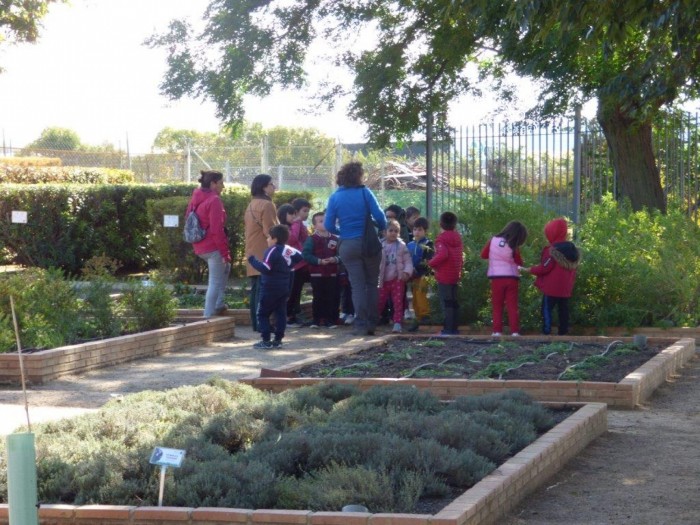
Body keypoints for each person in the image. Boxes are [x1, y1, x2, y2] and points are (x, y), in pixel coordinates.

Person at [324, 161, 387, 336]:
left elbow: (328, 225)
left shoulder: (335, 197)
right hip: (369, 243)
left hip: (348, 245)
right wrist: (381, 227)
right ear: (358, 176)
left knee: (357, 286)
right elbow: (379, 215)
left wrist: (342, 232)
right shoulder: (365, 192)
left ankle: (360, 325)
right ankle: (372, 323)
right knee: (372, 284)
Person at [247, 224, 303, 349]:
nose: (267, 240)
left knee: (262, 314)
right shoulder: (289, 250)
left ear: (275, 239)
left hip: (269, 288)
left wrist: (252, 260)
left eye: (268, 237)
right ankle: (278, 340)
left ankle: (266, 340)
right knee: (281, 314)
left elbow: (266, 269)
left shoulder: (272, 250)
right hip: (283, 288)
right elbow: (299, 258)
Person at [185, 170, 231, 318]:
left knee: (226, 269)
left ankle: (218, 304)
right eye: (221, 182)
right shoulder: (214, 200)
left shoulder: (196, 197)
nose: (223, 186)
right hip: (212, 247)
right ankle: (208, 317)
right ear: (213, 184)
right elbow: (217, 230)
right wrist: (225, 253)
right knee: (215, 282)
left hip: (199, 245)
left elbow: (188, 218)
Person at [523, 217, 580, 335]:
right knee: (563, 310)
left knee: (546, 310)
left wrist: (530, 269)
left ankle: (546, 331)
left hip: (551, 288)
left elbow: (545, 268)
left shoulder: (552, 250)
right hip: (566, 288)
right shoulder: (572, 250)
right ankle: (563, 332)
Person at [480, 221, 528, 336]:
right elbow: (519, 262)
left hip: (496, 278)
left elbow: (483, 255)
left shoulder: (493, 240)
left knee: (497, 305)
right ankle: (515, 332)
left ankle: (497, 331)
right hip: (511, 278)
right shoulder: (513, 245)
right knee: (512, 306)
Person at [244, 174, 278, 331]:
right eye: (272, 184)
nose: (274, 187)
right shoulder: (267, 205)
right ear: (264, 186)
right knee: (262, 290)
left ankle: (256, 323)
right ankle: (262, 324)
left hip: (252, 250)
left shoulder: (251, 204)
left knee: (255, 289)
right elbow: (270, 231)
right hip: (264, 252)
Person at [302, 211, 341, 328]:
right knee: (318, 297)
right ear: (315, 225)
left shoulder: (335, 238)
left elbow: (341, 254)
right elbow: (306, 254)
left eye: (326, 220)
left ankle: (330, 320)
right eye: (321, 221)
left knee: (331, 297)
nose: (324, 223)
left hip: (332, 274)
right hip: (316, 274)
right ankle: (316, 320)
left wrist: (335, 259)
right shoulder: (312, 239)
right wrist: (318, 261)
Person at [428, 211, 464, 335]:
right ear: (455, 224)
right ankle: (454, 327)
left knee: (446, 302)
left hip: (444, 274)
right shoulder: (457, 237)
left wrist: (431, 263)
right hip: (455, 273)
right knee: (454, 302)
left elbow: (443, 254)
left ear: (440, 224)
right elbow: (460, 256)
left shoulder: (441, 239)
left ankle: (448, 329)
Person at [378, 218, 413, 333]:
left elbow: (408, 261)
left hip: (397, 279)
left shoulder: (402, 246)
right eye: (391, 230)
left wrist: (406, 272)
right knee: (379, 301)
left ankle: (397, 322)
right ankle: (374, 319)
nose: (393, 233)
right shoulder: (379, 245)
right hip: (382, 279)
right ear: (384, 232)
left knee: (398, 302)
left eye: (396, 231)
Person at [406, 216, 434, 331]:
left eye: (420, 230)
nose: (417, 232)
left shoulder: (428, 244)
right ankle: (417, 318)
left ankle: (425, 316)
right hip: (412, 276)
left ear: (425, 231)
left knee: (421, 295)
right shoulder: (409, 245)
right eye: (415, 229)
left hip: (423, 275)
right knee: (415, 298)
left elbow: (428, 261)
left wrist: (417, 269)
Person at [288, 198, 312, 326]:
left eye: (308, 211)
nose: (307, 214)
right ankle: (290, 316)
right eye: (304, 211)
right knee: (294, 291)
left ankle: (294, 313)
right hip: (297, 263)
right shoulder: (296, 224)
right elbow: (292, 239)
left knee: (297, 290)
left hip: (301, 262)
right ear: (296, 211)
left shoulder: (300, 224)